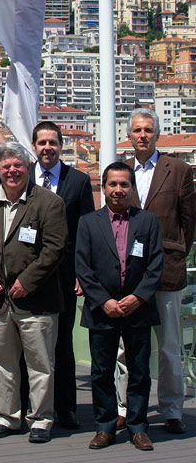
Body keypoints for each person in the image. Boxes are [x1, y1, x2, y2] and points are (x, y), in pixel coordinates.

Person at [0, 142, 67, 444]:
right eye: (5, 165)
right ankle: (6, 416)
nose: (11, 170)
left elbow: (54, 249)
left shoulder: (48, 203)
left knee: (40, 364)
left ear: (28, 167)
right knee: (1, 362)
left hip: (36, 298)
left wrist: (28, 281)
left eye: (17, 165)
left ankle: (40, 419)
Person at [117, 108, 196, 434]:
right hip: (128, 273)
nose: (142, 135)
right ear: (130, 134)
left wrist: (176, 250)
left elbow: (189, 221)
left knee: (168, 346)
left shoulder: (177, 170)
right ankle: (124, 408)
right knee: (125, 348)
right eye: (137, 130)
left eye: (148, 130)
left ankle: (172, 409)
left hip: (167, 270)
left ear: (157, 134)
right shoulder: (120, 171)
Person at [76, 162, 163, 451]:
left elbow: (155, 265)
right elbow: (83, 267)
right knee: (101, 372)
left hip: (138, 309)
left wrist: (138, 298)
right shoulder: (88, 222)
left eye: (124, 184)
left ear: (132, 187)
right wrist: (104, 301)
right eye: (112, 184)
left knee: (139, 371)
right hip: (103, 310)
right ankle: (105, 426)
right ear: (104, 187)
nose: (118, 189)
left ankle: (138, 426)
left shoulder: (147, 221)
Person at [26, 121, 94, 429]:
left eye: (53, 142)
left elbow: (85, 231)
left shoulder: (78, 181)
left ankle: (66, 408)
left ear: (61, 144)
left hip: (64, 274)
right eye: (42, 143)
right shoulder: (22, 178)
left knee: (62, 344)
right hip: (26, 274)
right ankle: (29, 406)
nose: (47, 148)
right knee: (29, 343)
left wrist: (82, 272)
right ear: (34, 146)